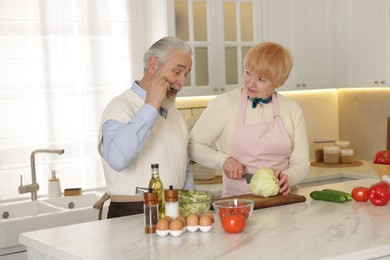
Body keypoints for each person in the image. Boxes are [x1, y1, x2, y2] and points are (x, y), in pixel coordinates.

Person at [188, 42, 310, 197]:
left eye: (261, 79)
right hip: (239, 203)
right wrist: (223, 160)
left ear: (278, 81)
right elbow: (193, 145)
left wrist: (289, 177)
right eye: (248, 73)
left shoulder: (292, 110)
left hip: (284, 203)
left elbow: (301, 162)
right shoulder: (223, 104)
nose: (250, 83)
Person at [94, 36, 194, 219]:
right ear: (153, 65)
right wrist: (150, 106)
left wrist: (192, 207)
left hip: (175, 213)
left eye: (186, 74)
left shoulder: (175, 115)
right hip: (132, 214)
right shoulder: (120, 107)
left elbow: (182, 167)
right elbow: (117, 158)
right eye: (177, 72)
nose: (181, 82)